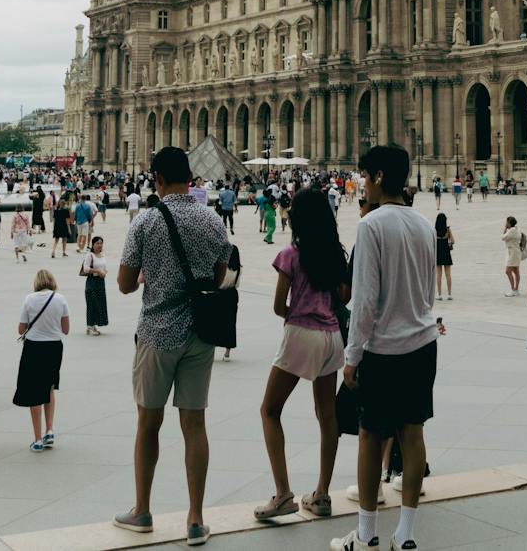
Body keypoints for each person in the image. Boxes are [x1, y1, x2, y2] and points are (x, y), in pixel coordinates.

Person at [113, 147, 229, 547]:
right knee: (194, 425)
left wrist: (151, 275)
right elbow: (219, 275)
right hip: (201, 334)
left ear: (157, 179)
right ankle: (195, 518)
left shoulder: (146, 221)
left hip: (158, 332)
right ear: (190, 176)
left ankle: (142, 509)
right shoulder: (212, 220)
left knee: (149, 424)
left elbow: (125, 284)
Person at [334, 145, 437, 551]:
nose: (362, 185)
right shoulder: (425, 225)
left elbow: (363, 300)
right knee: (412, 434)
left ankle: (365, 535)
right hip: (422, 342)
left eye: (364, 177)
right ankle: (406, 535)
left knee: (370, 436)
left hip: (382, 348)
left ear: (378, 177)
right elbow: (427, 292)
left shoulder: (371, 226)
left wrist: (352, 356)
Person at [253, 188, 349, 524]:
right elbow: (345, 295)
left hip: (302, 333)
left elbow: (279, 305)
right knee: (327, 416)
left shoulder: (291, 255)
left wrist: (299, 313)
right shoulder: (336, 254)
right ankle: (322, 494)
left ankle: (283, 494)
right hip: (333, 336)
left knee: (270, 410)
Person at [15, 270, 70, 451]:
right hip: (54, 347)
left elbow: (21, 328)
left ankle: (37, 438)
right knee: (49, 387)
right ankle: (49, 429)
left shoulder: (29, 299)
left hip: (34, 347)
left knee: (33, 391)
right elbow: (66, 329)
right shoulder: (60, 299)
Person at [79, 236, 110, 334]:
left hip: (101, 282)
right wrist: (97, 271)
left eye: (101, 243)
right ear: (93, 244)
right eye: (97, 243)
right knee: (92, 303)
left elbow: (104, 267)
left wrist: (104, 272)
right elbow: (86, 269)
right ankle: (90, 326)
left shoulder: (103, 255)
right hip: (92, 281)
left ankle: (93, 325)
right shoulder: (90, 255)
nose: (99, 245)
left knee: (99, 303)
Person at [500, 216, 527, 296]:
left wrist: (505, 228)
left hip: (513, 253)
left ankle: (513, 289)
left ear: (509, 223)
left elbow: (503, 237)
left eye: (507, 222)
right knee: (516, 271)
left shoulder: (511, 231)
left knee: (508, 271)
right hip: (516, 252)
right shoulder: (517, 229)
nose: (506, 224)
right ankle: (516, 289)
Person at [433, 213, 455, 301]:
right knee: (448, 274)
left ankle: (439, 294)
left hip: (438, 253)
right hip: (446, 252)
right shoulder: (447, 230)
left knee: (439, 275)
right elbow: (453, 241)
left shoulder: (434, 230)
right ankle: (449, 294)